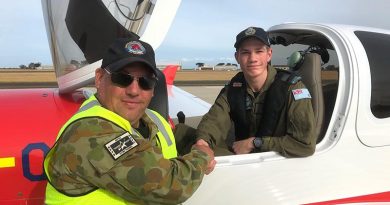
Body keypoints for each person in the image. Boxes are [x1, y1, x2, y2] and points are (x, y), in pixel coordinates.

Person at [44, 38, 216, 205]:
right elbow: (171, 185)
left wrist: (202, 138)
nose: (134, 90)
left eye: (146, 81)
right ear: (99, 79)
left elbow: (170, 138)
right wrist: (202, 155)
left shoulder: (153, 120)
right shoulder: (90, 132)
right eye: (122, 78)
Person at [196, 27, 316, 157]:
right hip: (244, 159)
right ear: (237, 57)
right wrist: (202, 143)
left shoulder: (292, 88)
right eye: (245, 52)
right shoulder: (233, 89)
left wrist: (255, 143)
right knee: (183, 135)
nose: (253, 58)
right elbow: (214, 120)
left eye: (259, 51)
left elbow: (305, 145)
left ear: (269, 54)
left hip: (276, 161)